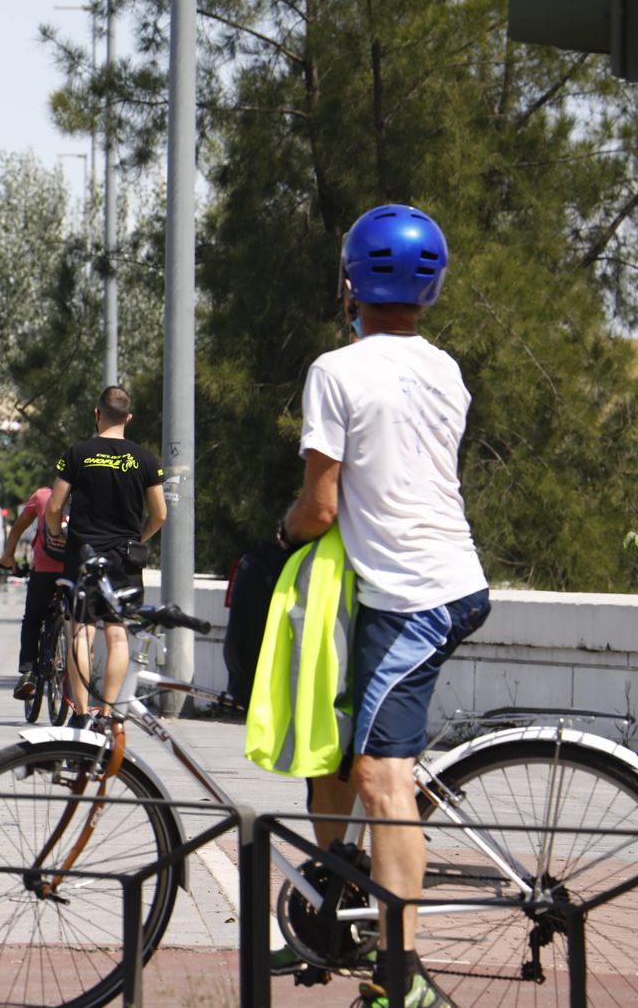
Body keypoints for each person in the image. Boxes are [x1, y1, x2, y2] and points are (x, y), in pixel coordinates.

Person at [279, 204, 490, 1008]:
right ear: (430, 289)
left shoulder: (336, 372)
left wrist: (278, 538)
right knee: (337, 746)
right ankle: (328, 903)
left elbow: (321, 509)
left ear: (349, 285)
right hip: (433, 580)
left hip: (412, 599)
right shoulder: (446, 370)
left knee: (379, 774)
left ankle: (401, 981)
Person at [44, 386, 167, 719]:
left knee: (81, 630)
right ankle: (109, 714)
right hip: (124, 557)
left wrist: (56, 535)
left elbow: (54, 507)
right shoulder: (145, 459)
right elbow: (160, 515)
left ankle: (81, 714)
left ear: (97, 414)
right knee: (116, 633)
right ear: (129, 418)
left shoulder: (77, 453)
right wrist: (135, 537)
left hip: (83, 556)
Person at [0, 485, 64, 698]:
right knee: (80, 623)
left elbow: (17, 529)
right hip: (75, 570)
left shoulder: (42, 496)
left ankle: (28, 672)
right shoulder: (84, 495)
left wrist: (8, 556)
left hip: (44, 570)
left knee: (33, 619)